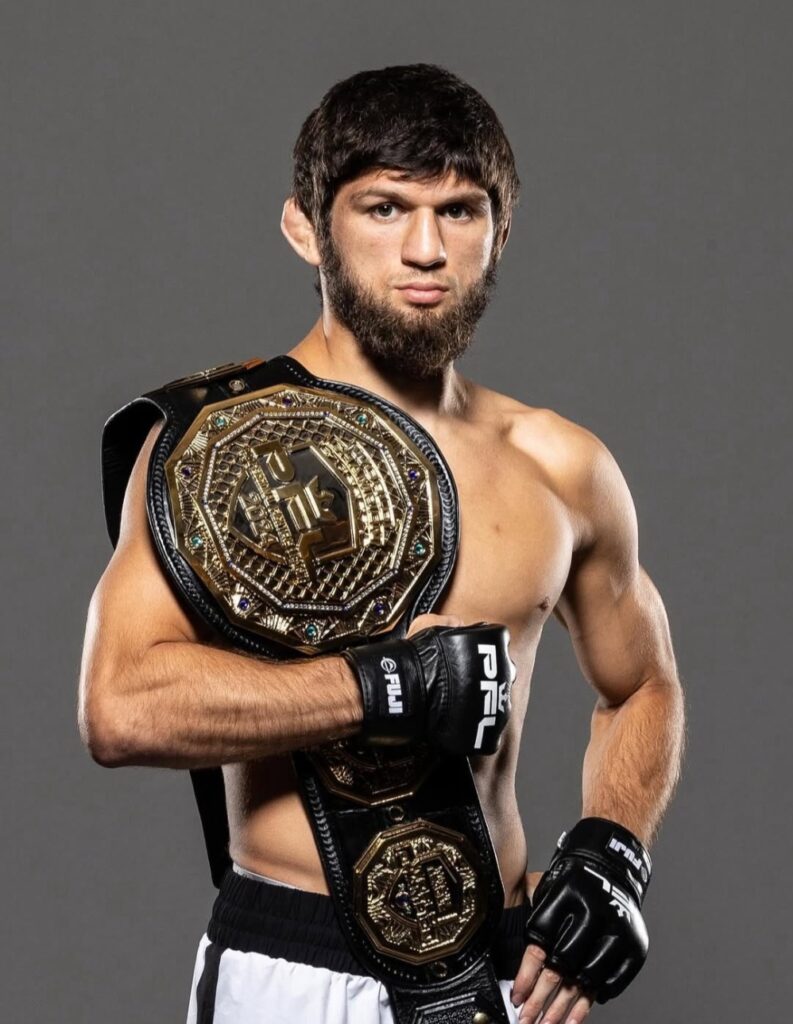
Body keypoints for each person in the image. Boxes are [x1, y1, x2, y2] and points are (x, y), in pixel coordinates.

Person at [78, 63, 685, 1024]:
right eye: (384, 208)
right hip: (294, 967)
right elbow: (121, 709)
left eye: (458, 212)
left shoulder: (560, 465)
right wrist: (382, 686)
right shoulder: (217, 453)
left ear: (498, 231)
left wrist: (614, 852)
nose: (424, 249)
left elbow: (642, 684)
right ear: (305, 229)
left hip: (498, 971)